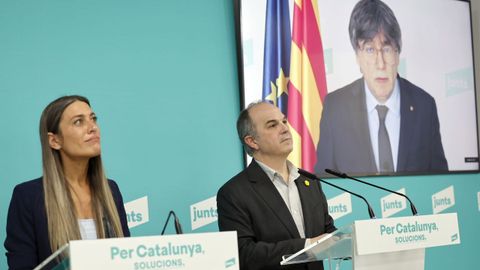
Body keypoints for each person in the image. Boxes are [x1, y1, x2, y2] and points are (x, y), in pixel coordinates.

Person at [315, 0, 448, 176]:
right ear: (358, 56)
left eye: (386, 49)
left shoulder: (425, 105)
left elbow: (441, 181)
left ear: (398, 54)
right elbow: (323, 182)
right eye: (370, 49)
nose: (380, 63)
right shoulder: (335, 107)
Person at [4, 95, 130, 269]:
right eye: (78, 122)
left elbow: (127, 260)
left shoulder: (111, 190)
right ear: (54, 141)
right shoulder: (27, 197)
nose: (92, 127)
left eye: (93, 119)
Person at [217, 101, 336, 270]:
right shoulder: (233, 193)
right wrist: (307, 246)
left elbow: (328, 231)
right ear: (252, 141)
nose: (285, 128)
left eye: (284, 121)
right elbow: (243, 254)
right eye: (272, 125)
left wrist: (343, 240)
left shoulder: (309, 182)